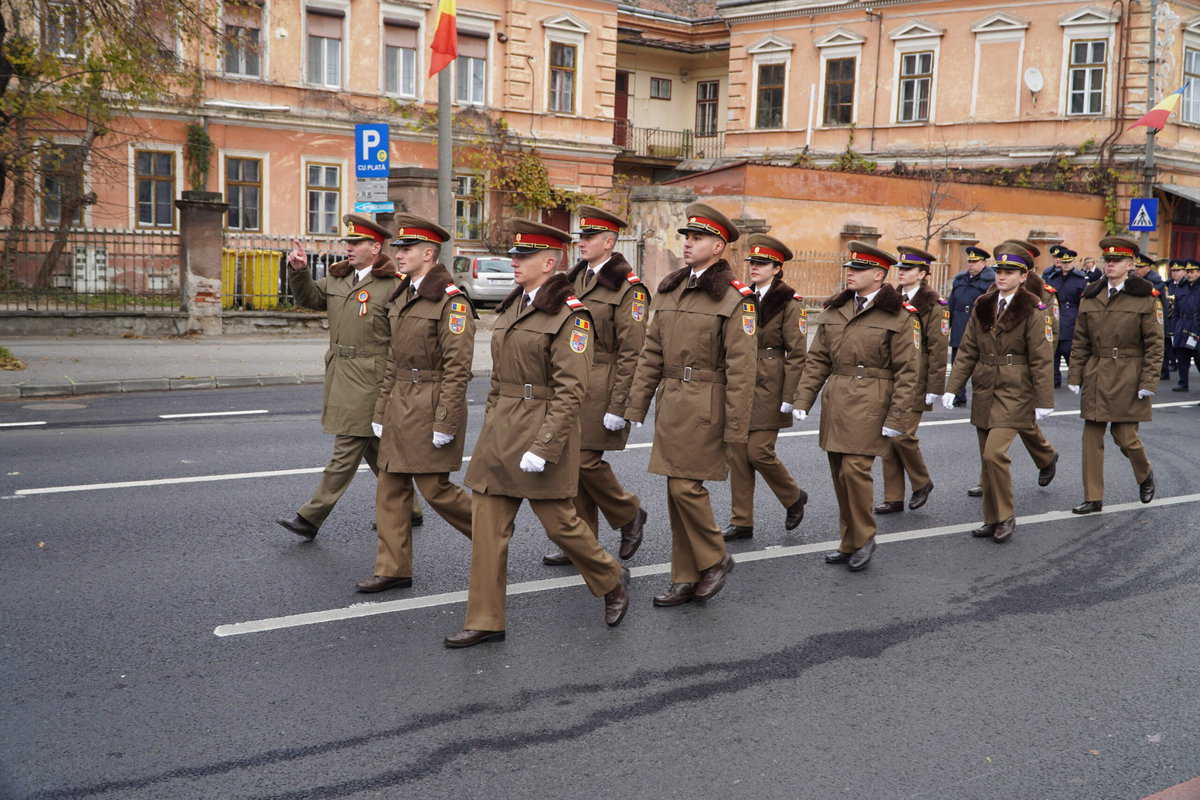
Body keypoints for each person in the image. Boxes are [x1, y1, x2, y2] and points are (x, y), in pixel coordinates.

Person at [446, 221, 630, 648]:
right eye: (514, 256)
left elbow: (573, 391)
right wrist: (491, 423)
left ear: (549, 263)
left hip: (542, 430)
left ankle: (610, 580)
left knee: (562, 525)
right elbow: (498, 378)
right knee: (488, 529)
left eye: (523, 257)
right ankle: (486, 619)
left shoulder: (571, 316)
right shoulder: (513, 307)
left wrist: (545, 446)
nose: (514, 263)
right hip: (503, 430)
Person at [625, 203, 756, 606]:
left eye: (696, 238)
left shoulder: (736, 299)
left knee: (686, 487)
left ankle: (714, 556)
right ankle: (684, 576)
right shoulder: (670, 288)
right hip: (673, 401)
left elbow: (742, 369)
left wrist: (735, 427)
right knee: (674, 489)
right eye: (686, 237)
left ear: (718, 247)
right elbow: (651, 353)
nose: (687, 244)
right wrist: (636, 406)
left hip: (706, 402)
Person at [276, 215, 413, 541]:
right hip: (340, 372)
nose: (348, 249)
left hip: (372, 376)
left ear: (375, 247)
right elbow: (310, 299)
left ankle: (310, 517)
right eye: (347, 244)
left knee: (347, 447)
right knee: (375, 449)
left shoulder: (393, 285)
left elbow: (403, 338)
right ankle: (409, 507)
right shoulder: (339, 279)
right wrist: (298, 270)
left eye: (355, 244)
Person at [362, 216, 474, 593]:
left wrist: (445, 421)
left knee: (435, 488)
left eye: (407, 249)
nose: (399, 255)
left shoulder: (451, 302)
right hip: (399, 402)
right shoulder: (403, 294)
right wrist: (380, 411)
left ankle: (491, 535)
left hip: (429, 401)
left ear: (429, 254)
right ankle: (393, 568)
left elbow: (458, 369)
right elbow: (393, 359)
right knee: (390, 485)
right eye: (399, 248)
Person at [791, 241, 918, 570]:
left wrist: (897, 416)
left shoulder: (899, 315)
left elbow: (908, 371)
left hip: (873, 400)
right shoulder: (837, 309)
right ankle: (848, 540)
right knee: (840, 475)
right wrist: (803, 399)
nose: (850, 274)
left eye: (859, 270)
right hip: (838, 400)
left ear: (878, 275)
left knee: (855, 470)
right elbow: (818, 359)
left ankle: (863, 537)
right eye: (850, 268)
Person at [541, 206, 649, 567]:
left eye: (589, 238)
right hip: (574, 379)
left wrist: (620, 405)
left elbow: (632, 352)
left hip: (603, 384)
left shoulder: (628, 289)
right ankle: (583, 543)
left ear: (609, 241)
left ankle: (629, 512)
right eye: (581, 237)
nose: (581, 244)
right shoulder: (578, 278)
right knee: (573, 463)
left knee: (586, 461)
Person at [942, 242, 1054, 543]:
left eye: (1010, 272)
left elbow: (1041, 358)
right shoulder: (984, 304)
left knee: (995, 454)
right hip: (984, 387)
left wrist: (1044, 399)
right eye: (1000, 270)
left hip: (1016, 390)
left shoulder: (1033, 309)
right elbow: (966, 350)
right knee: (985, 457)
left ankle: (1005, 516)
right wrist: (953, 387)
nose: (1002, 276)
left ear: (1024, 275)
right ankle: (991, 518)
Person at [722, 233, 808, 540]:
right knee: (736, 451)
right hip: (738, 380)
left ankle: (793, 496)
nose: (754, 268)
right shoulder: (740, 297)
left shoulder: (789, 302)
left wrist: (791, 396)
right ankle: (741, 520)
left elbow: (798, 354)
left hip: (770, 382)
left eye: (762, 263)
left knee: (758, 452)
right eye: (752, 262)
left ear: (777, 268)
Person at [1067, 237, 1163, 513]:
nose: (1110, 265)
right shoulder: (1091, 295)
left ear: (1130, 264)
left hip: (1128, 375)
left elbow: (1155, 346)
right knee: (1091, 438)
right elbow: (1081, 340)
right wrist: (1075, 375)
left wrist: (1148, 382)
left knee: (1125, 438)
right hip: (1097, 372)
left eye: (1116, 260)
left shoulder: (1146, 298)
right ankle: (1093, 497)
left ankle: (1144, 473)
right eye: (1107, 260)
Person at [876, 245, 945, 514]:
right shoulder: (890, 298)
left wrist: (934, 386)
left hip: (917, 377)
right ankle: (893, 497)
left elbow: (938, 348)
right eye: (900, 268)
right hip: (891, 375)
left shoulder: (934, 305)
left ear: (922, 273)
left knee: (902, 435)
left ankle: (921, 481)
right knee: (888, 436)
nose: (901, 273)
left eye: (908, 269)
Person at [948, 246, 994, 406]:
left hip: (980, 328)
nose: (971, 265)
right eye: (969, 262)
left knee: (982, 367)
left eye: (975, 262)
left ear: (983, 262)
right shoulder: (960, 279)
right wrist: (948, 324)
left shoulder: (991, 280)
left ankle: (985, 397)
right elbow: (952, 304)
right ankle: (957, 395)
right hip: (960, 327)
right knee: (957, 364)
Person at [1043, 244, 1090, 388]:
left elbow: (1084, 302)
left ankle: (1076, 380)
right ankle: (1054, 380)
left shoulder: (1080, 279)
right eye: (1063, 262)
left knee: (1070, 352)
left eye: (1068, 262)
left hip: (1071, 319)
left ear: (1073, 262)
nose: (1066, 265)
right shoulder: (1052, 277)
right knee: (1053, 353)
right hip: (1055, 318)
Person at [1171, 261, 1200, 391]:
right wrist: (1175, 326)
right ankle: (1183, 383)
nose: (1189, 274)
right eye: (1187, 271)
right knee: (1182, 357)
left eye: (1192, 271)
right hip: (1182, 326)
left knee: (1198, 359)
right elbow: (1176, 309)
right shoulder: (1182, 287)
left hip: (1196, 327)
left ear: (1199, 272)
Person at [1164, 261, 1185, 382]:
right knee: (1168, 344)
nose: (1174, 273)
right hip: (1169, 318)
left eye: (1178, 271)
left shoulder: (1187, 285)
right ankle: (1170, 364)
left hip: (1182, 319)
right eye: (1173, 270)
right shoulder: (1167, 285)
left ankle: (1175, 362)